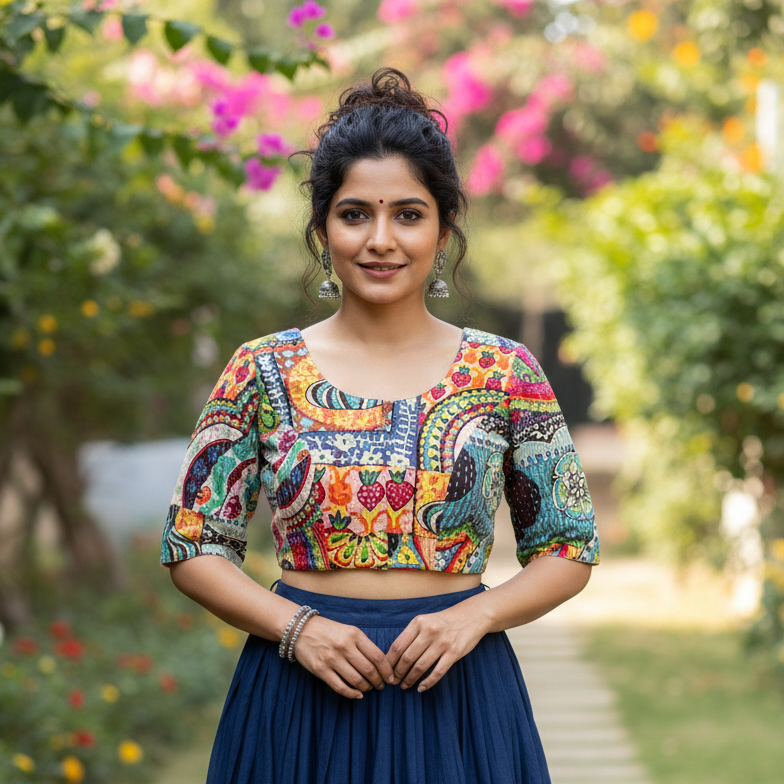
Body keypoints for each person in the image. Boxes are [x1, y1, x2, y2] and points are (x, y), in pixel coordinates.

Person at [160, 66, 600, 784]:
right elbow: (194, 544)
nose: (381, 240)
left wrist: (476, 617)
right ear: (323, 227)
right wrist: (295, 629)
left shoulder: (505, 372)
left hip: (457, 693)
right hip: (300, 697)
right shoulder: (260, 370)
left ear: (443, 225)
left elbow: (568, 546)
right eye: (356, 213)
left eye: (408, 213)